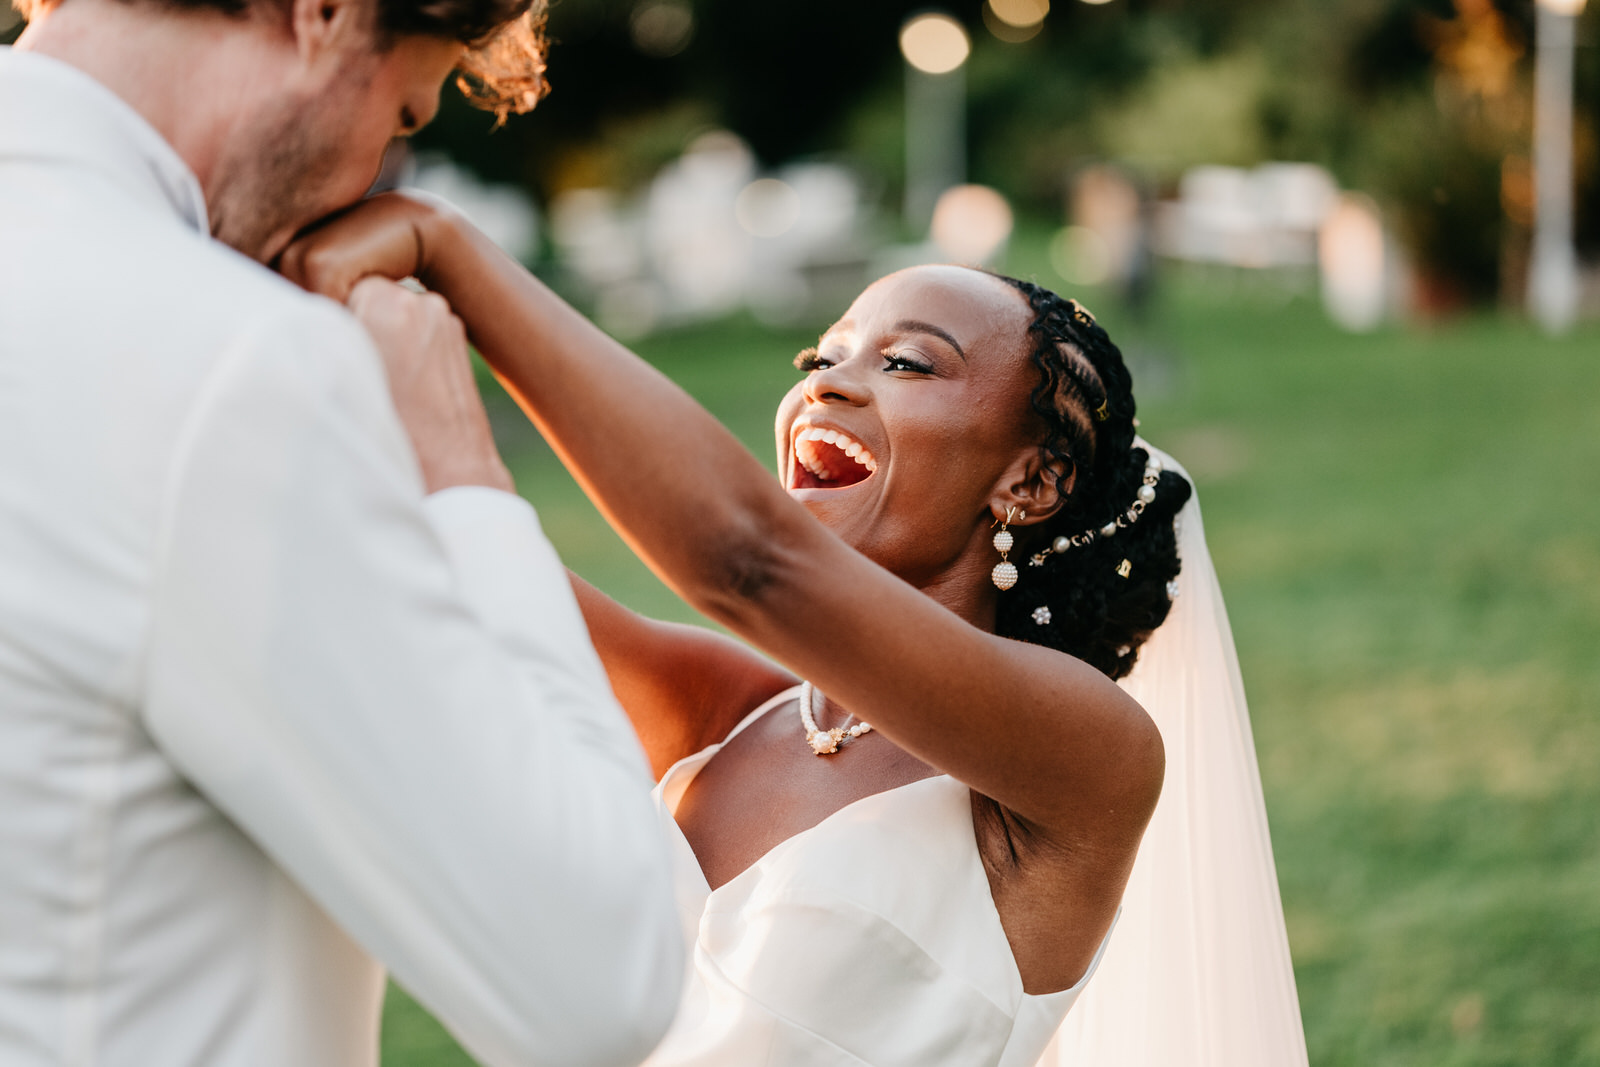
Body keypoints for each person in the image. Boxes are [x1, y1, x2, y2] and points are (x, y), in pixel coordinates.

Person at [282, 193, 1196, 1065]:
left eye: (907, 363)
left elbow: (746, 562)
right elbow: (454, 564)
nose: (832, 384)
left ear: (1029, 482)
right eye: (821, 359)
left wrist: (444, 249)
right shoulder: (724, 716)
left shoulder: (1084, 766)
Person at [0, 2, 685, 1065]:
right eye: (401, 113)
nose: (374, 176)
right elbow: (603, 977)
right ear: (325, 14)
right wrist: (460, 474)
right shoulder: (227, 364)